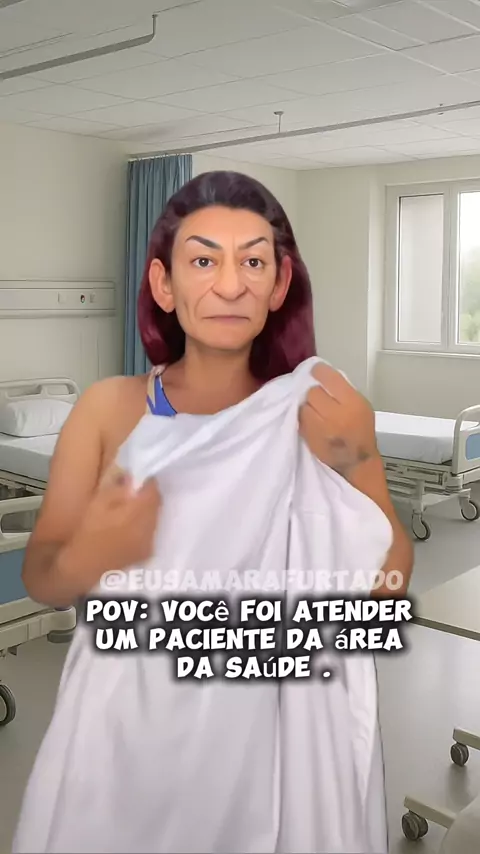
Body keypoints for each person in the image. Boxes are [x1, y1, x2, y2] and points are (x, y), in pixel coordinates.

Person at [13, 170, 413, 852]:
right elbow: (42, 577)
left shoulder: (319, 407)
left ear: (279, 285)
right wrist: (90, 554)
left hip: (269, 728)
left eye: (253, 262)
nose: (231, 286)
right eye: (204, 261)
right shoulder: (108, 410)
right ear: (164, 284)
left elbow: (386, 593)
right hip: (124, 726)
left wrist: (360, 459)